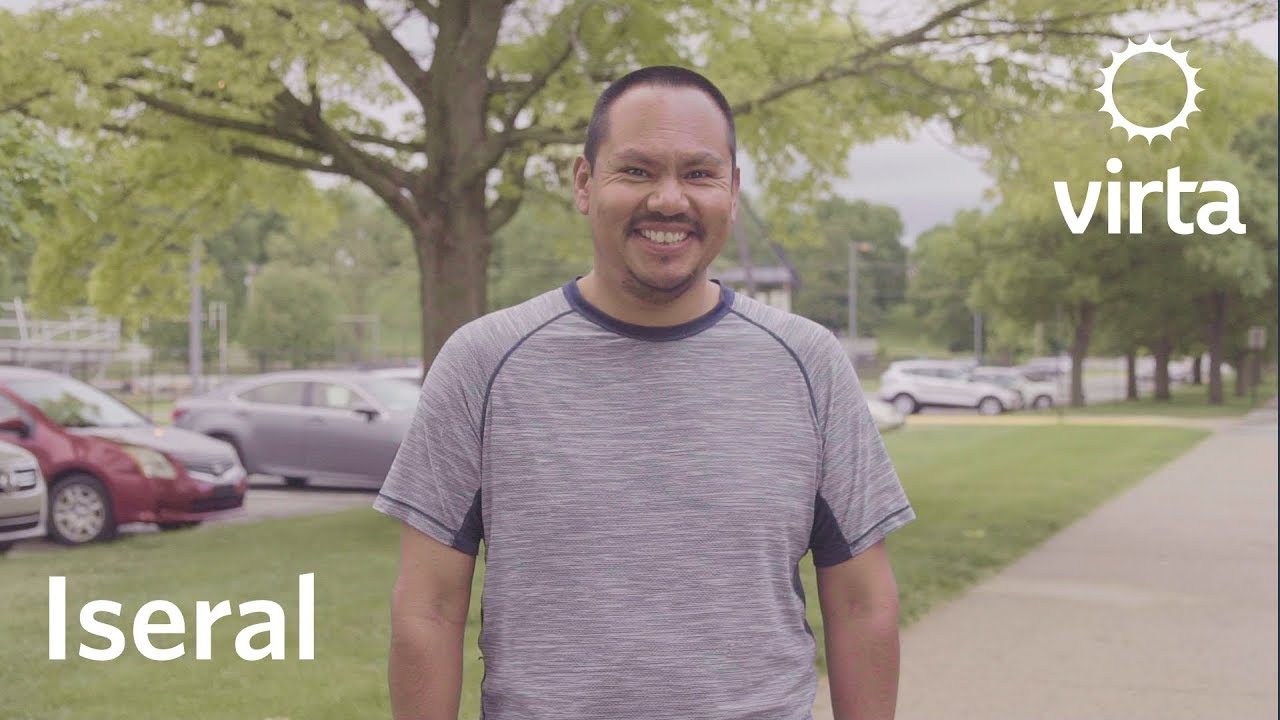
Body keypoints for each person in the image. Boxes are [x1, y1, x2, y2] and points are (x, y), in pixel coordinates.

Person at [373, 65, 915, 720]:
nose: (668, 200)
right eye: (636, 170)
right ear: (584, 183)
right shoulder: (482, 364)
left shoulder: (810, 364)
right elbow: (428, 608)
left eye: (699, 173)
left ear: (732, 191)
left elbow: (862, 604)